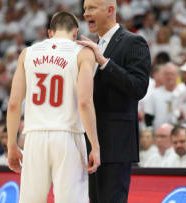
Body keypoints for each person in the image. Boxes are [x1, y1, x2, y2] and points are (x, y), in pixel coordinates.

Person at [6, 11, 100, 203]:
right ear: (75, 33)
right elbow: (84, 102)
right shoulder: (83, 53)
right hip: (68, 135)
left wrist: (11, 145)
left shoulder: (27, 53)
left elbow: (14, 104)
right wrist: (95, 145)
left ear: (50, 33)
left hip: (34, 136)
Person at [78, 0, 150, 201]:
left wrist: (104, 62)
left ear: (110, 10)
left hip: (116, 145)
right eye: (84, 9)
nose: (85, 14)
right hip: (90, 143)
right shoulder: (91, 47)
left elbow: (138, 87)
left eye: (91, 8)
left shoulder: (133, 42)